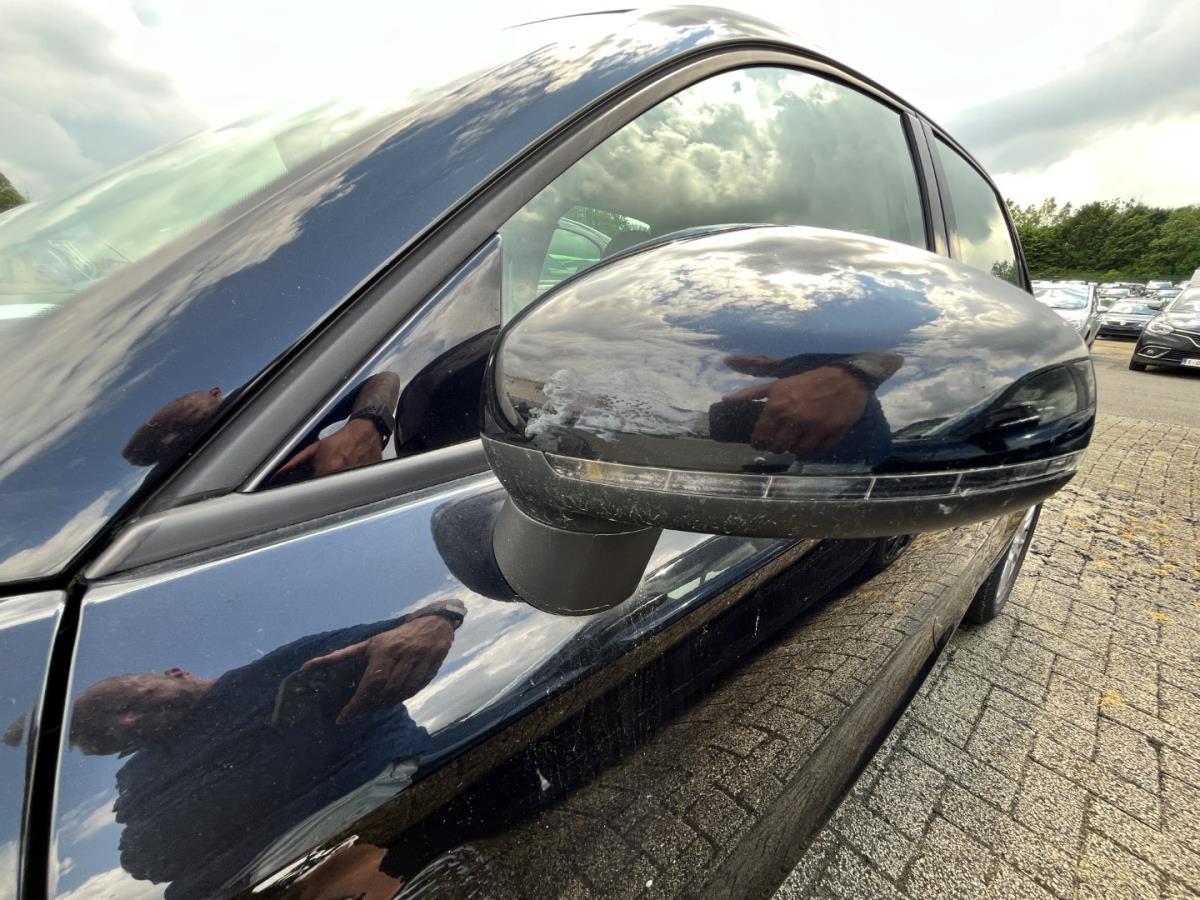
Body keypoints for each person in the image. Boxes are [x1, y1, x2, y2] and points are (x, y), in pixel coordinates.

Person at [69, 599, 465, 899]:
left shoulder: (284, 666)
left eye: (119, 703)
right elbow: (144, 860)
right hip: (240, 882)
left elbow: (420, 625)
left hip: (370, 821)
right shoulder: (140, 776)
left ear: (176, 672)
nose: (124, 722)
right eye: (106, 732)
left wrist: (438, 620)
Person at [712, 351, 902, 465]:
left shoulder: (804, 361)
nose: (752, 368)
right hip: (809, 458)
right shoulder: (787, 383)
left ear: (762, 356)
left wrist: (853, 375)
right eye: (743, 368)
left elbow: (892, 359)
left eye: (749, 361)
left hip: (854, 460)